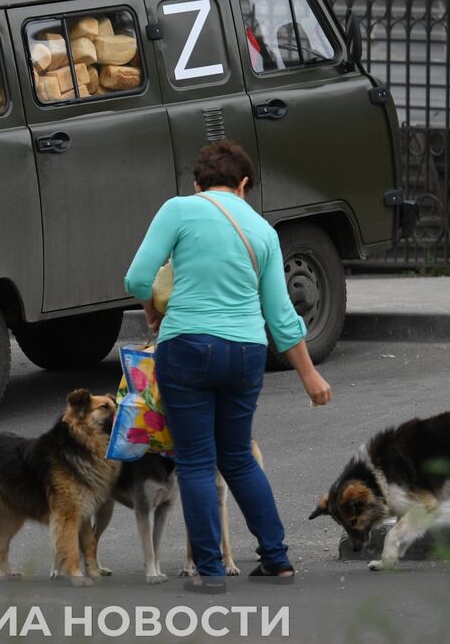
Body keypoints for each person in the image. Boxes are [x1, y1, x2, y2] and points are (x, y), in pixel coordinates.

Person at [124, 140, 332, 595]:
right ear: (243, 185)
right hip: (246, 352)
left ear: (197, 184)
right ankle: (276, 559)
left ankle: (211, 572)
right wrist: (309, 375)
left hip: (187, 347)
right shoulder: (262, 231)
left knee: (196, 460)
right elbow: (282, 317)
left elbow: (137, 277)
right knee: (236, 456)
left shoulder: (178, 209)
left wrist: (152, 310)